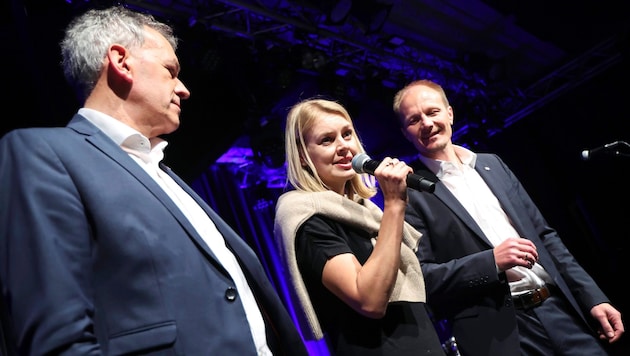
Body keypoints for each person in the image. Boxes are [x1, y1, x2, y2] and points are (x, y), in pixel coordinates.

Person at [0, 6, 308, 355]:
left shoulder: (166, 173)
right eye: (170, 71)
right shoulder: (44, 154)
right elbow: (57, 340)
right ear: (121, 61)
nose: (184, 89)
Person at [391, 79, 625, 355]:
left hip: (558, 310)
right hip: (498, 333)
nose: (427, 124)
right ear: (405, 132)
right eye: (414, 120)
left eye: (432, 112)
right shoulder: (409, 192)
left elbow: (546, 236)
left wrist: (592, 298)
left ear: (449, 113)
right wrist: (490, 262)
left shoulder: (494, 164)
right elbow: (422, 277)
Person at [273, 98, 446, 355]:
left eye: (347, 134)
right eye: (327, 140)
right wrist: (395, 204)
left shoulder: (365, 210)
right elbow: (370, 300)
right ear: (303, 156)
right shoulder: (306, 217)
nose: (343, 146)